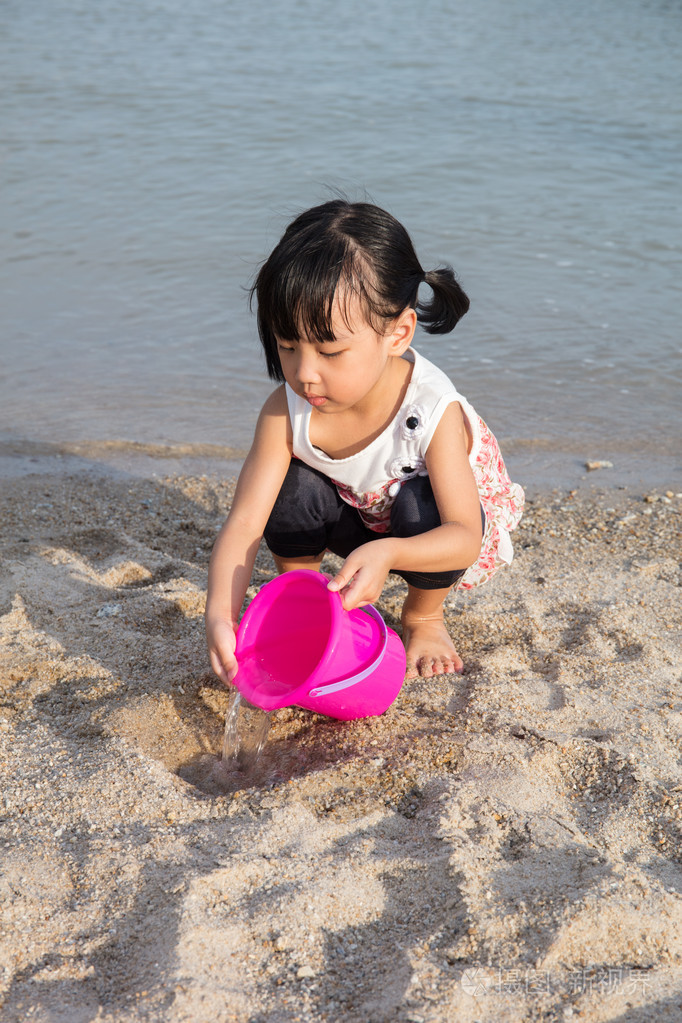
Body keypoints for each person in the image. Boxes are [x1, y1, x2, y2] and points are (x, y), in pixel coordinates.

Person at [206, 199, 524, 683]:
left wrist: (390, 553)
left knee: (422, 504)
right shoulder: (284, 410)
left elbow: (464, 537)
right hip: (355, 515)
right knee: (290, 490)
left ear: (397, 333)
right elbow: (245, 521)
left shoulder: (432, 411)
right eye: (287, 346)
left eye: (330, 351)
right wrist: (220, 615)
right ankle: (305, 599)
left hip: (429, 533)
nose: (304, 373)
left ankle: (423, 616)